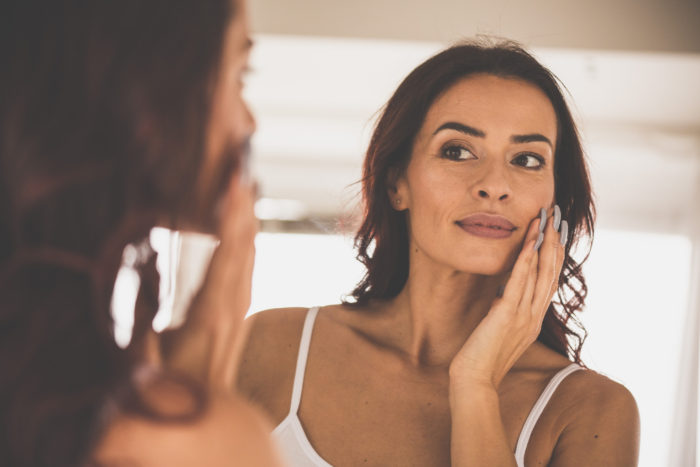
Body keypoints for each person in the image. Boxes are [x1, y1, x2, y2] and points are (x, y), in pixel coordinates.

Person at [237, 42, 640, 466]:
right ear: (397, 183)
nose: (494, 184)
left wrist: (475, 383)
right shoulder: (271, 344)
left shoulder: (592, 411)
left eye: (526, 159)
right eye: (457, 150)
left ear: (556, 197)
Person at [0, 1, 281, 466]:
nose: (249, 123)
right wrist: (200, 397)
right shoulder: (177, 441)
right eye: (239, 74)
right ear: (150, 88)